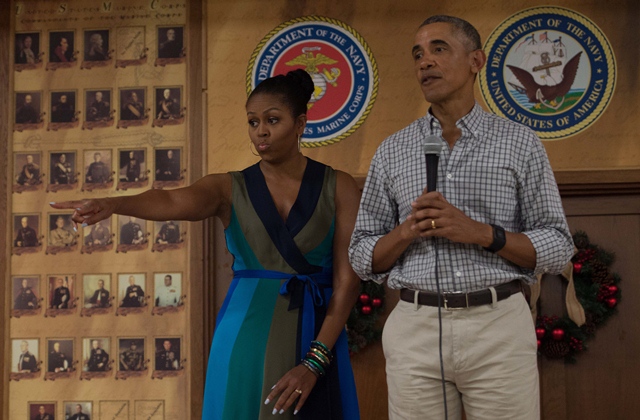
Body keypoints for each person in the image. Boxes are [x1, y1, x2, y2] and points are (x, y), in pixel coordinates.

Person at [50, 69, 361, 419]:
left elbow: (348, 281)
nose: (260, 131)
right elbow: (169, 201)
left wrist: (315, 360)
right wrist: (114, 204)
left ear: (301, 123)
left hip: (317, 333)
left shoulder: (340, 186)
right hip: (243, 334)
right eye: (252, 121)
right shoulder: (227, 187)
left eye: (272, 120)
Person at [348, 16, 575, 420]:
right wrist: (406, 231)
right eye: (417, 54)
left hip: (498, 326)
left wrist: (482, 234)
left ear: (476, 60)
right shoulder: (392, 150)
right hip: (414, 328)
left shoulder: (519, 142)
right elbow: (362, 254)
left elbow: (558, 246)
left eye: (438, 49)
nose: (424, 62)